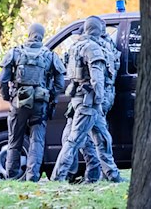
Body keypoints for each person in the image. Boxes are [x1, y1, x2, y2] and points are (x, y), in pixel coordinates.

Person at [51, 16, 123, 182]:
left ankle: (113, 176)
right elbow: (97, 79)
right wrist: (99, 99)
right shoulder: (92, 48)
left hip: (79, 100)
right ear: (99, 31)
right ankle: (58, 177)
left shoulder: (76, 46)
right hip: (89, 102)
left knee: (103, 139)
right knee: (74, 140)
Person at [0, 23, 65, 182]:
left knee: (14, 139)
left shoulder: (15, 53)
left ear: (29, 34)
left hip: (18, 102)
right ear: (42, 35)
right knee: (37, 140)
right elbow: (59, 83)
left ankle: (11, 175)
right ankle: (32, 176)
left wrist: (8, 97)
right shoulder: (50, 55)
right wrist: (51, 98)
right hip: (40, 103)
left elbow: (3, 80)